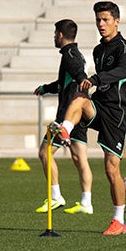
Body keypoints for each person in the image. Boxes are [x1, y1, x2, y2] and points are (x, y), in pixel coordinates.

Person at [48, 1, 126, 236]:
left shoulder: (125, 49)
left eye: (105, 19)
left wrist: (96, 79)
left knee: (111, 169)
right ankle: (64, 130)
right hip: (99, 106)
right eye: (98, 20)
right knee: (79, 99)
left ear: (117, 21)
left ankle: (119, 220)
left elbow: (120, 73)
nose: (101, 24)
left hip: (117, 113)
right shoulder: (98, 50)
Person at [33, 19, 94, 215]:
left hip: (67, 115)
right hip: (79, 115)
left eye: (54, 34)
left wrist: (83, 81)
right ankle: (86, 203)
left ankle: (55, 197)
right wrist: (45, 88)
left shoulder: (69, 55)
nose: (54, 38)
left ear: (60, 34)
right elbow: (63, 83)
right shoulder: (76, 54)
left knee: (45, 152)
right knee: (80, 158)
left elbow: (78, 75)